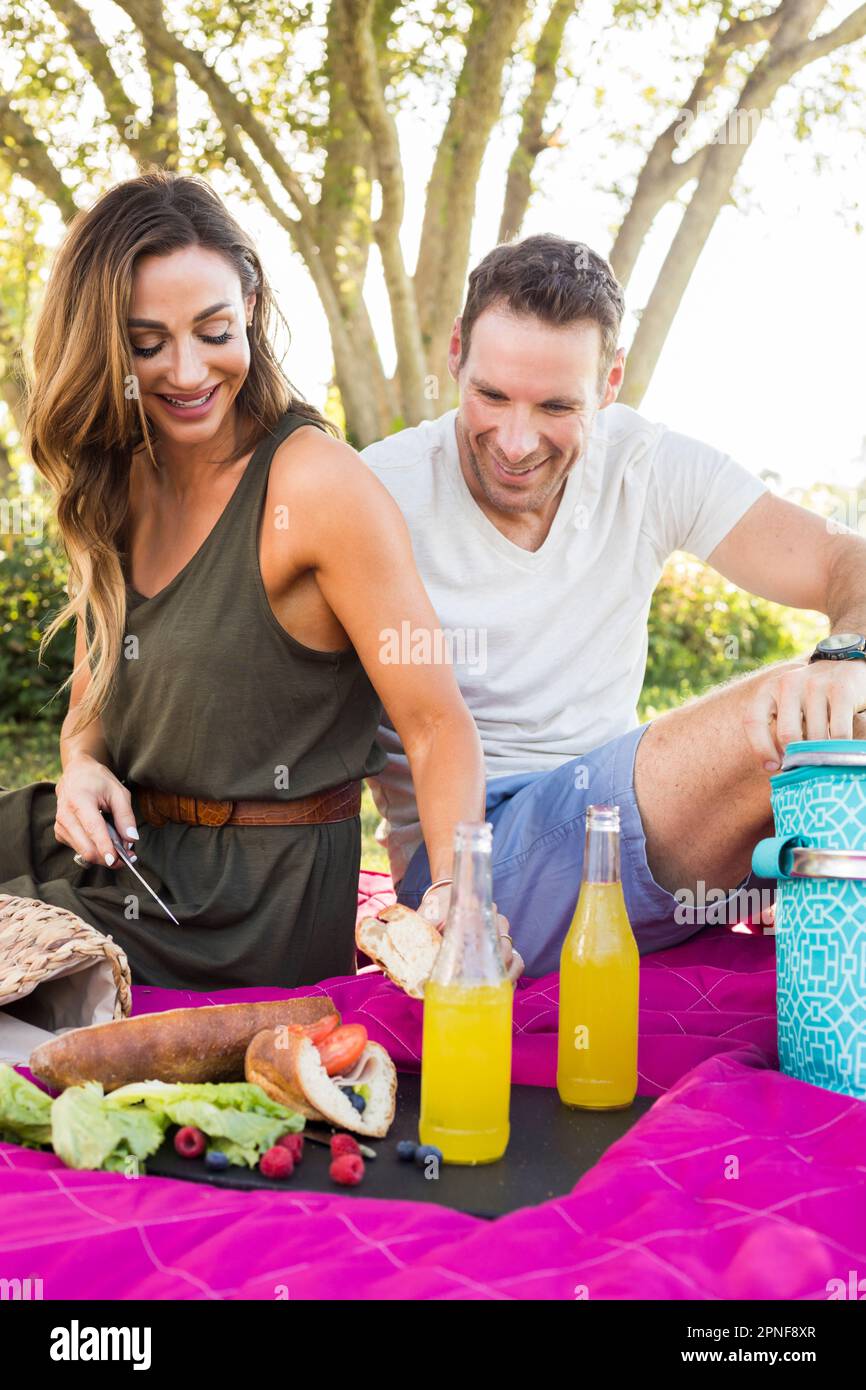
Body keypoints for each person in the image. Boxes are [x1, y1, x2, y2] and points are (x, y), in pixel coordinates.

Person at [0, 168, 520, 990]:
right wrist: (80, 766)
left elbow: (435, 722)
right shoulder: (123, 474)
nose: (186, 371)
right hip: (125, 861)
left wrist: (456, 889)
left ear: (249, 304)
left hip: (241, 910)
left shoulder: (315, 485)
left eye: (212, 329)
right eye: (146, 344)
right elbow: (92, 699)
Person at [361, 233, 866, 976]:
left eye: (556, 405)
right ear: (456, 353)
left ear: (610, 383)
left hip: (622, 836)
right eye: (491, 395)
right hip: (471, 865)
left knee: (837, 704)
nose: (516, 439)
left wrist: (845, 657)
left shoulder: (646, 463)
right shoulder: (378, 491)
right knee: (779, 710)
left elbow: (841, 558)